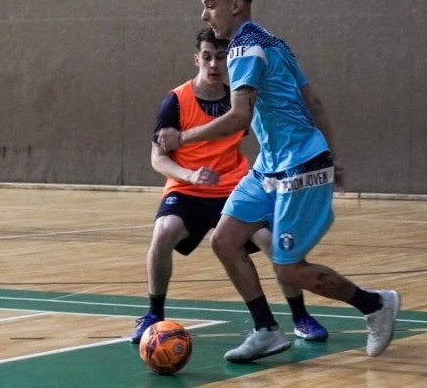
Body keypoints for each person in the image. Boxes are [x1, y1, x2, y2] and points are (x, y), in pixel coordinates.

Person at [158, 0, 400, 362]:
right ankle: (267, 330)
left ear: (235, 6)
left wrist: (182, 138)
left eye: (209, 6)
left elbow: (239, 117)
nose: (205, 16)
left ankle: (375, 304)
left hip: (300, 166)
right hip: (269, 167)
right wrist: (334, 155)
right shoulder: (275, 43)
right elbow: (314, 103)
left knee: (288, 269)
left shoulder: (243, 50)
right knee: (224, 239)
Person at [131, 28, 328, 344]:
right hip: (188, 190)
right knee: (164, 231)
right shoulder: (175, 101)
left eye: (220, 57)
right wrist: (189, 175)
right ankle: (154, 313)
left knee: (274, 242)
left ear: (230, 60)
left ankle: (300, 316)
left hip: (235, 188)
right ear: (197, 59)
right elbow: (158, 158)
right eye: (206, 57)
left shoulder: (242, 98)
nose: (213, 64)